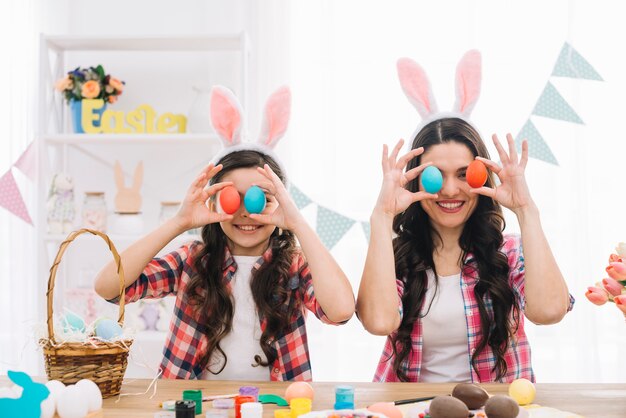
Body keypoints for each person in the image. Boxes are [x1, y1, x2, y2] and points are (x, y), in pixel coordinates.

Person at [94, 86, 355, 380]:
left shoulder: (294, 267)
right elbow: (107, 287)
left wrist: (297, 222)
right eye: (233, 197)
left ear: (281, 202)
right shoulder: (192, 261)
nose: (245, 212)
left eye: (261, 199)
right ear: (215, 201)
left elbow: (341, 310)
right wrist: (179, 222)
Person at [356, 50, 573, 383]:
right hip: (408, 408)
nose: (450, 190)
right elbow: (378, 322)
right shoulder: (396, 254)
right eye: (434, 175)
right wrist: (381, 217)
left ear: (482, 176)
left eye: (463, 174)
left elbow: (549, 312)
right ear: (415, 179)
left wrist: (527, 211)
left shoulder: (508, 252)